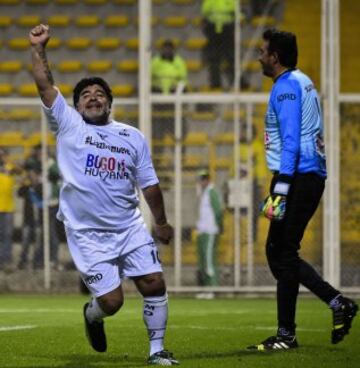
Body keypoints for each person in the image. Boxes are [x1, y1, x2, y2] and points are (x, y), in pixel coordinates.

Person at [29, 24, 179, 366]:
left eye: (99, 93)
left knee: (154, 283)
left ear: (109, 102)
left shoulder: (132, 137)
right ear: (77, 106)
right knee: (112, 302)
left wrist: (162, 223)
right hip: (86, 233)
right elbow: (44, 84)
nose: (93, 96)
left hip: (129, 227)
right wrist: (39, 49)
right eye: (85, 95)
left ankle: (158, 351)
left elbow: (150, 184)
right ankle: (92, 315)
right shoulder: (69, 125)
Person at [247, 28, 358, 351]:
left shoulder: (285, 88)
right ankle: (290, 331)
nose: (259, 57)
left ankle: (331, 306)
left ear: (275, 57)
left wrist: (280, 189)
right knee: (279, 252)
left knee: (283, 253)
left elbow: (292, 141)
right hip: (301, 175)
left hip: (296, 176)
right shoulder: (301, 81)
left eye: (263, 51)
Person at [195, 170, 223, 299]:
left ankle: (212, 288)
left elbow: (218, 211)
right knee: (203, 261)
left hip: (210, 230)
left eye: (203, 179)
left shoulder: (212, 192)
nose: (201, 182)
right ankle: (206, 289)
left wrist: (218, 226)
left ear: (207, 180)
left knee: (209, 260)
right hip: (202, 231)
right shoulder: (204, 193)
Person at [201, 0, 236, 90]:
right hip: (213, 32)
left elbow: (234, 13)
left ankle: (236, 81)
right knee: (214, 59)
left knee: (231, 58)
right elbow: (205, 15)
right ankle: (215, 82)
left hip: (227, 31)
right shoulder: (209, 1)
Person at [0, 148, 17, 271]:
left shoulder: (10, 167)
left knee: (7, 235)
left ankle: (6, 261)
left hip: (8, 208)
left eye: (3, 155)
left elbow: (21, 171)